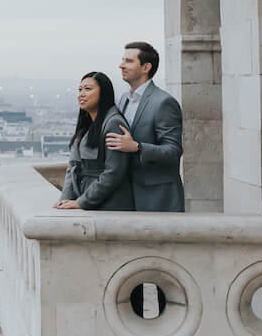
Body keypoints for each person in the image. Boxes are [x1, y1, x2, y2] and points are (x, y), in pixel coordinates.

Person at [105, 40, 187, 212]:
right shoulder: (124, 99)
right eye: (122, 60)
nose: (121, 65)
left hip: (158, 198)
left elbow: (173, 151)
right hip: (127, 197)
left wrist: (137, 147)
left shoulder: (164, 102)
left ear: (146, 67)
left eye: (129, 61)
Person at [54, 71, 135, 211]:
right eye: (80, 90)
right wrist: (65, 199)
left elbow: (114, 172)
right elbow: (73, 166)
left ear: (103, 93)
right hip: (89, 199)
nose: (81, 94)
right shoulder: (87, 124)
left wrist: (82, 202)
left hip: (110, 203)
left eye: (88, 89)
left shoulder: (113, 124)